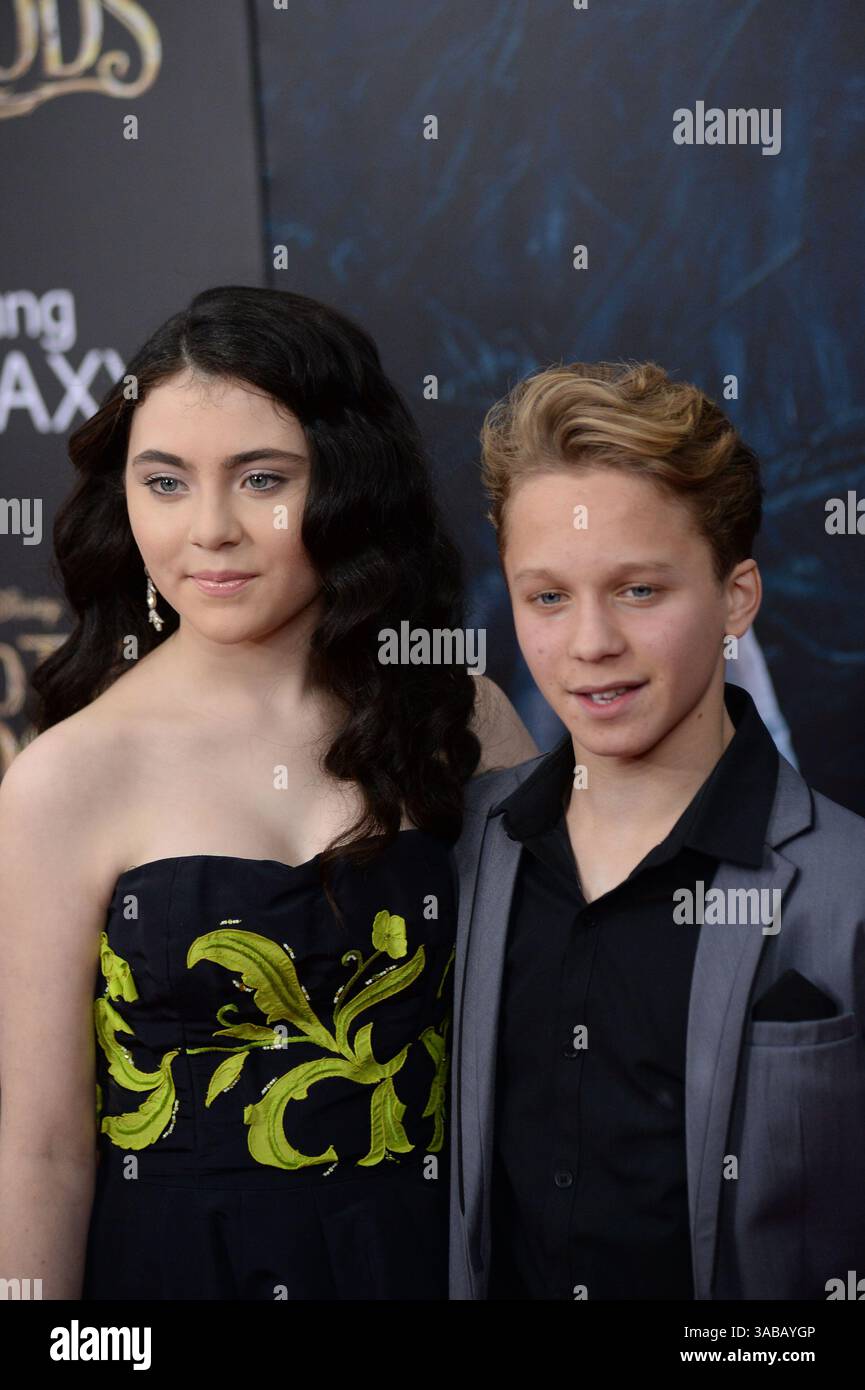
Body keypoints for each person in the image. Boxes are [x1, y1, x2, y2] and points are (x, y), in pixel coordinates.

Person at [0, 285, 536, 1302]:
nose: (210, 529)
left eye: (261, 479)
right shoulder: (66, 778)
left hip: (435, 1260)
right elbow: (38, 1152)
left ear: (349, 483)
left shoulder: (461, 717)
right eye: (164, 482)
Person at [449, 359, 865, 1301]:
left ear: (737, 598)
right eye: (547, 597)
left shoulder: (848, 889)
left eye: (638, 590)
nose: (590, 642)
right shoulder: (465, 853)